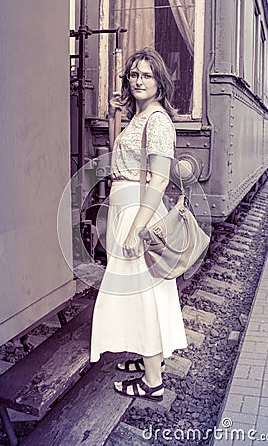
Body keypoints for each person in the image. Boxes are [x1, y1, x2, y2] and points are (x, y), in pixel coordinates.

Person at [90, 47, 187, 401]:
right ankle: (149, 361)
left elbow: (159, 180)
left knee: (145, 297)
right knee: (144, 295)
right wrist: (118, 116)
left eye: (146, 75)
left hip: (138, 215)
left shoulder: (158, 121)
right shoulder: (141, 116)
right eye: (133, 74)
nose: (138, 80)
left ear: (160, 81)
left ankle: (152, 382)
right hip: (129, 209)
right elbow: (125, 157)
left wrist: (135, 229)